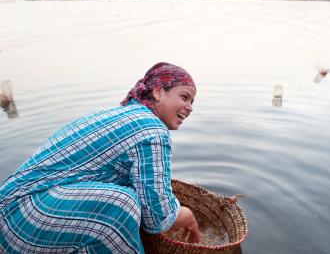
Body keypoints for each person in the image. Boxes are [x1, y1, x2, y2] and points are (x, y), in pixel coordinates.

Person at [0, 62, 200, 253]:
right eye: (184, 97)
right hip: (19, 226)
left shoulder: (122, 114)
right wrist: (188, 216)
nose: (190, 107)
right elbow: (158, 217)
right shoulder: (151, 129)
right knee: (122, 204)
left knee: (127, 195)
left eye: (192, 102)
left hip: (13, 214)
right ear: (158, 92)